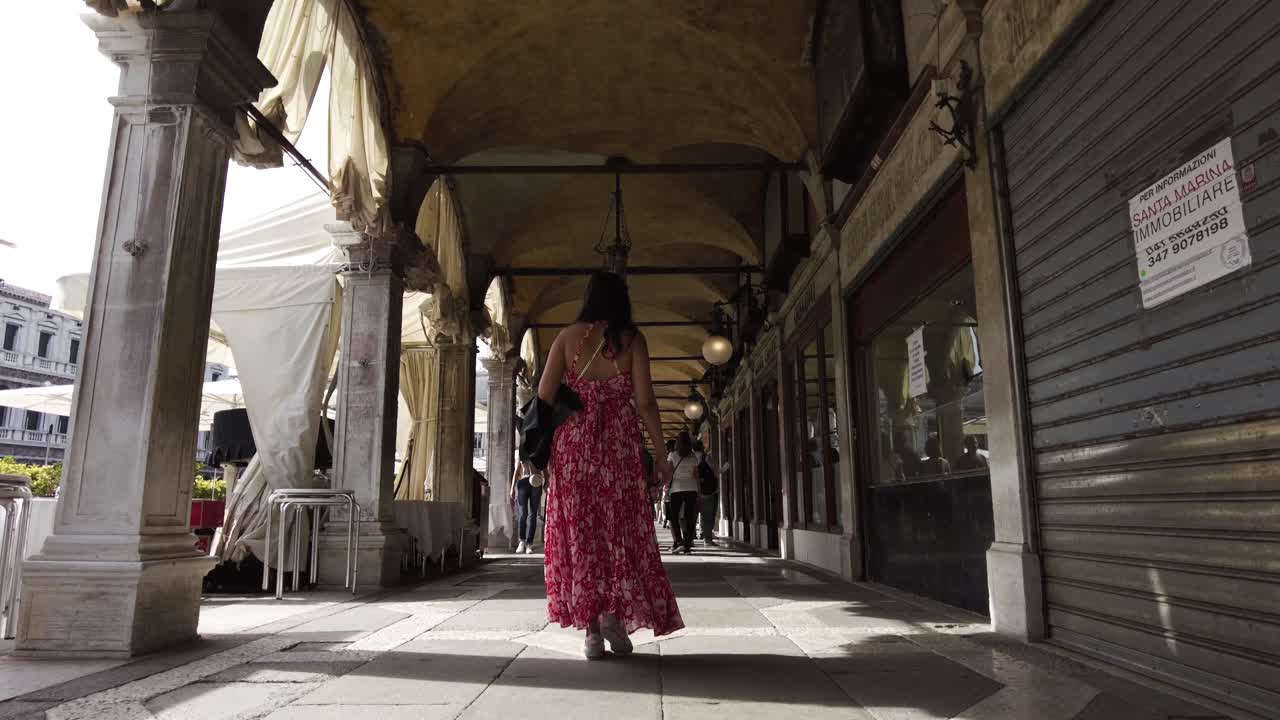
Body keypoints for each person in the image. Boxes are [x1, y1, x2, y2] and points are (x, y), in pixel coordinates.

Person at [538, 271, 684, 659]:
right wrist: (662, 457)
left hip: (574, 452)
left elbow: (544, 395)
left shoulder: (568, 337)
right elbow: (647, 403)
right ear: (623, 299)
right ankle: (615, 621)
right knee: (619, 533)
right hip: (617, 452)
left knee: (583, 536)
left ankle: (590, 632)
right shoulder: (632, 340)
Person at [666, 431, 700, 554]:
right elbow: (696, 476)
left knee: (673, 516)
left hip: (676, 489)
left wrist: (666, 487)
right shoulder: (693, 456)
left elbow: (669, 473)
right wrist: (699, 492)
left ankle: (679, 541)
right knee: (689, 516)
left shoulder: (672, 455)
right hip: (692, 488)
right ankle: (686, 544)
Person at [509, 453, 544, 554]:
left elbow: (544, 469)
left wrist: (546, 482)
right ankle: (522, 541)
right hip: (523, 482)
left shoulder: (539, 451)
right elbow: (516, 470)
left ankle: (529, 544)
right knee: (523, 513)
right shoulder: (522, 451)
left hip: (536, 482)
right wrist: (512, 488)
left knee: (533, 515)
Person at [693, 440, 719, 546]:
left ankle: (691, 536)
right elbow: (716, 472)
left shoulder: (690, 458)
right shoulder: (707, 457)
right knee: (707, 515)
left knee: (692, 515)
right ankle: (707, 538)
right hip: (707, 491)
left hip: (693, 490)